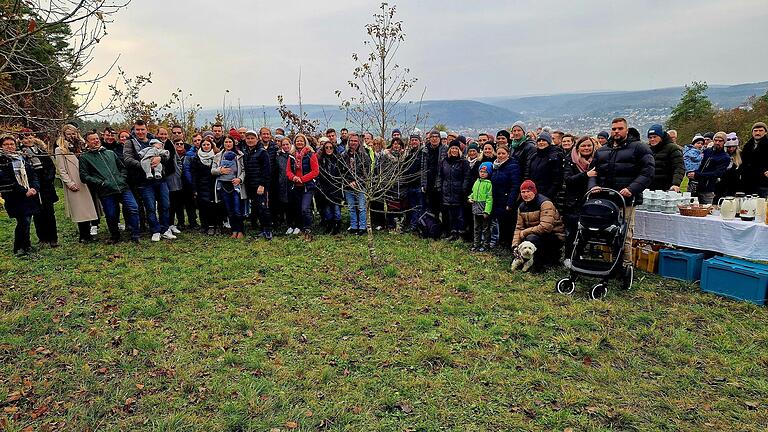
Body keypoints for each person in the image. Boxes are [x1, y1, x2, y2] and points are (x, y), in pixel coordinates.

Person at [588, 117, 654, 269]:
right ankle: (606, 263)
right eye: (614, 129)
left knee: (625, 235)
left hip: (626, 200)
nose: (616, 131)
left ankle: (625, 265)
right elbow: (593, 173)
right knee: (604, 231)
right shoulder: (603, 151)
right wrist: (593, 186)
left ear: (627, 129)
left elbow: (647, 172)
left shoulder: (639, 148)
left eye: (619, 128)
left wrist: (632, 189)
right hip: (605, 200)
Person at [78, 131, 140, 244]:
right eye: (92, 139)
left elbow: (123, 168)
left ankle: (135, 234)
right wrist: (101, 183)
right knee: (111, 214)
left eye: (97, 139)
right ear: (87, 142)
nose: (96, 141)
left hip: (122, 187)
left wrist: (122, 178)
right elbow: (84, 176)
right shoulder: (85, 158)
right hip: (106, 191)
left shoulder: (110, 153)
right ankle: (115, 236)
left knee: (133, 208)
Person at [123, 120, 175, 242]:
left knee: (166, 205)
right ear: (134, 130)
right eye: (138, 130)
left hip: (160, 178)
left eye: (142, 129)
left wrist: (159, 158)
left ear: (146, 129)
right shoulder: (130, 143)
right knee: (150, 207)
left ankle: (165, 229)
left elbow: (167, 155)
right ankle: (155, 230)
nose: (140, 132)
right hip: (144, 181)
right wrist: (144, 164)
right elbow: (127, 159)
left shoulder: (155, 140)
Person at [54, 123, 99, 242]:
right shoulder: (60, 150)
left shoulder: (82, 147)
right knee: (80, 209)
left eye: (73, 133)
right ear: (64, 135)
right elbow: (61, 170)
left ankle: (90, 231)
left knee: (89, 207)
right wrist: (69, 183)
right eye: (68, 133)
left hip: (86, 180)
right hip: (75, 181)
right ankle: (84, 235)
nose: (71, 136)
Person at [512, 180, 565, 271]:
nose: (525, 194)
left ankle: (539, 265)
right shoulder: (521, 207)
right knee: (526, 240)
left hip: (554, 235)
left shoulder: (545, 203)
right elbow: (519, 227)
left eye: (528, 191)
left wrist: (524, 232)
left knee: (531, 238)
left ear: (534, 191)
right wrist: (515, 245)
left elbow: (545, 227)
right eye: (523, 192)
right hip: (535, 233)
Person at [0, 134, 40, 255]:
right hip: (14, 195)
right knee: (23, 221)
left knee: (28, 219)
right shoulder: (1, 160)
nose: (9, 147)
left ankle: (26, 245)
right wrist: (23, 191)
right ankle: (19, 247)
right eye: (6, 144)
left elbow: (32, 174)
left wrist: (34, 188)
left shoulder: (22, 157)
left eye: (11, 144)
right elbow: (5, 179)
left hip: (29, 194)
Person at [20, 131, 58, 247]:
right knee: (38, 213)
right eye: (25, 138)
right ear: (21, 140)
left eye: (30, 137)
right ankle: (43, 238)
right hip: (33, 185)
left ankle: (53, 238)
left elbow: (51, 166)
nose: (28, 140)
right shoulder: (21, 153)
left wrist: (49, 178)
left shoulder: (41, 151)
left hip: (46, 185)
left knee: (49, 213)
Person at [563, 136, 597, 256]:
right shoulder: (571, 160)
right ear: (578, 148)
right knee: (572, 231)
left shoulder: (597, 160)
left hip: (590, 200)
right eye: (583, 145)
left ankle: (580, 253)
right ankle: (568, 255)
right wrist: (586, 175)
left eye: (589, 145)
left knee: (586, 230)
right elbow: (568, 180)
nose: (586, 148)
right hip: (573, 201)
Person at [286, 133, 320, 239]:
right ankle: (300, 226)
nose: (299, 143)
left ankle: (308, 227)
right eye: (297, 141)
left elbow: (315, 171)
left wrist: (302, 179)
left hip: (307, 185)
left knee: (305, 208)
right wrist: (294, 177)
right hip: (295, 185)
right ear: (294, 143)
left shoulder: (311, 154)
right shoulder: (292, 155)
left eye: (301, 141)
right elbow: (288, 171)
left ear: (305, 142)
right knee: (298, 208)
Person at [212, 137, 246, 238]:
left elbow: (244, 170)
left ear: (233, 143)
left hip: (235, 186)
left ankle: (240, 231)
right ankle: (234, 230)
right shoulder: (218, 156)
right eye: (226, 142)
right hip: (223, 185)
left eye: (230, 142)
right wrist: (220, 170)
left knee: (237, 209)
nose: (228, 144)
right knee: (229, 210)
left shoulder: (240, 155)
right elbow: (212, 170)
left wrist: (239, 179)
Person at [242, 129, 273, 240]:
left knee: (263, 207)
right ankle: (261, 229)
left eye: (252, 138)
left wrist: (262, 184)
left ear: (257, 139)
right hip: (250, 185)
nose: (250, 140)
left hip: (260, 185)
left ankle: (268, 230)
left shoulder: (262, 152)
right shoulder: (246, 152)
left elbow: (267, 170)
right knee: (256, 208)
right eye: (248, 138)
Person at [489, 144, 521, 249]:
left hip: (507, 198)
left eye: (503, 153)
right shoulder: (495, 166)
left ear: (508, 154)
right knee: (500, 221)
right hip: (497, 198)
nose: (501, 155)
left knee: (509, 222)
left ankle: (509, 243)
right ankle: (502, 242)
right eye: (499, 153)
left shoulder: (513, 165)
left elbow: (515, 185)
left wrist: (510, 202)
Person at [438, 140, 470, 240]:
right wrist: (440, 187)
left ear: (459, 150)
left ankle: (461, 234)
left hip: (459, 191)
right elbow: (440, 175)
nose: (454, 150)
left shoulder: (463, 162)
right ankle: (453, 233)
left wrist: (463, 188)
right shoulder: (444, 161)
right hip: (447, 191)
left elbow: (467, 177)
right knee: (450, 215)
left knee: (460, 215)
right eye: (452, 148)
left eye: (456, 148)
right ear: (449, 149)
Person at [341, 132, 370, 235]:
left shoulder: (364, 155)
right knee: (351, 207)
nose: (353, 143)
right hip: (348, 186)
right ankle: (354, 226)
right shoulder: (344, 155)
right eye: (351, 141)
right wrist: (348, 182)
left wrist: (357, 181)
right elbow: (341, 172)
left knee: (362, 207)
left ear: (359, 142)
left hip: (361, 185)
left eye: (355, 141)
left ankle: (362, 227)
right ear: (349, 142)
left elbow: (367, 171)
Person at [691, 132, 730, 204]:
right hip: (694, 186)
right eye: (715, 140)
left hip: (708, 189)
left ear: (724, 142)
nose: (717, 142)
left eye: (720, 141)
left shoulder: (725, 157)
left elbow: (717, 173)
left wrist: (697, 175)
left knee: (706, 211)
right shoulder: (706, 151)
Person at [190, 139, 217, 235]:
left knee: (214, 206)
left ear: (211, 145)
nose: (206, 146)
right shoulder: (196, 158)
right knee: (203, 207)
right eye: (204, 144)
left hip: (214, 185)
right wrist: (194, 189)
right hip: (201, 186)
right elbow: (193, 174)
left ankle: (215, 225)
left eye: (208, 144)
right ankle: (205, 226)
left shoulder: (216, 156)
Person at [647, 124, 684, 192]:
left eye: (655, 137)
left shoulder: (673, 148)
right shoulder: (647, 149)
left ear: (661, 137)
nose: (652, 139)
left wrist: (676, 183)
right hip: (650, 188)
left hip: (667, 187)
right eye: (650, 137)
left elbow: (679, 167)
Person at [317, 137, 343, 234]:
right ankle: (329, 225)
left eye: (330, 147)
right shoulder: (320, 160)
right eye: (326, 147)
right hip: (324, 188)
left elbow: (341, 175)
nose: (328, 149)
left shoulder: (338, 160)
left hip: (335, 187)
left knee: (336, 209)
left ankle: (337, 226)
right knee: (327, 209)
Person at [528, 131, 563, 202]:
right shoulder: (534, 156)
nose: (541, 142)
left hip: (548, 195)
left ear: (549, 142)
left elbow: (557, 179)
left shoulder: (554, 157)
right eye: (539, 140)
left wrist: (549, 195)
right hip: (534, 193)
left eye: (544, 140)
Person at [468, 162, 493, 252]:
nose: (482, 173)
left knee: (485, 229)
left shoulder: (488, 184)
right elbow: (473, 193)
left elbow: (489, 198)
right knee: (476, 228)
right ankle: (476, 244)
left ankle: (486, 245)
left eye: (485, 172)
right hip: (475, 208)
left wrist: (487, 211)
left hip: (483, 209)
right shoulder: (476, 182)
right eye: (481, 171)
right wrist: (470, 198)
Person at [402, 132, 424, 232]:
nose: (414, 142)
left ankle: (419, 225)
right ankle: (413, 225)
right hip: (410, 184)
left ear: (419, 141)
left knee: (420, 206)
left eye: (416, 140)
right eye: (412, 140)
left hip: (419, 184)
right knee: (412, 206)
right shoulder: (409, 154)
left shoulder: (423, 153)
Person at [275, 136, 296, 234]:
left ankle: (297, 225)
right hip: (282, 184)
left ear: (291, 144)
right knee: (286, 205)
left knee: (295, 205)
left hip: (294, 183)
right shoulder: (278, 157)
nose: (285, 146)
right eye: (283, 145)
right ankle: (290, 225)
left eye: (287, 144)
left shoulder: (295, 155)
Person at [742, 122, 768, 198]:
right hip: (748, 183)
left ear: (765, 132)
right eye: (755, 131)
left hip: (763, 182)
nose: (758, 133)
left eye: (760, 130)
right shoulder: (747, 145)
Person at [716, 132, 743, 201]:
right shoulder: (720, 155)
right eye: (729, 147)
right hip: (721, 186)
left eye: (733, 147)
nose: (731, 149)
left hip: (736, 186)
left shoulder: (741, 155)